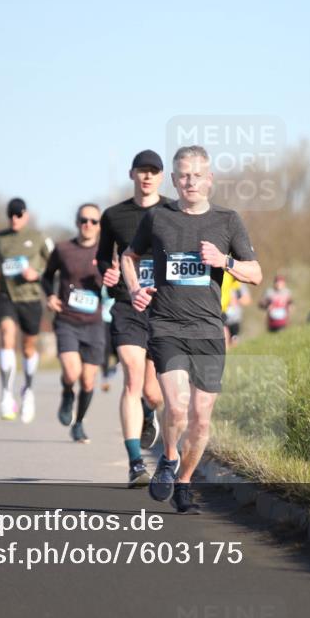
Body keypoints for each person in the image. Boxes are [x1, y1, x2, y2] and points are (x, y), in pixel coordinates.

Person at [123, 145, 262, 513]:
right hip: (166, 325)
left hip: (209, 331)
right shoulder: (158, 218)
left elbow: (256, 274)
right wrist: (135, 288)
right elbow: (128, 257)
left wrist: (225, 261)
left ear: (210, 179)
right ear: (174, 179)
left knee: (201, 419)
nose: (191, 181)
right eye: (184, 175)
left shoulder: (228, 221)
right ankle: (168, 459)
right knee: (179, 406)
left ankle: (184, 479)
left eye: (198, 175)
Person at [97, 150, 172, 487]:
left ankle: (148, 410)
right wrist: (108, 273)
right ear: (132, 175)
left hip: (166, 307)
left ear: (161, 176)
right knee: (131, 375)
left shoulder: (173, 211)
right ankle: (135, 464)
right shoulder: (114, 215)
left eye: (153, 171)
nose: (147, 176)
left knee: (154, 394)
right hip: (128, 305)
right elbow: (102, 259)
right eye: (142, 171)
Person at [0, 198, 53, 422]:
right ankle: (6, 393)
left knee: (28, 346)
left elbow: (54, 264)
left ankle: (28, 390)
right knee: (6, 335)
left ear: (26, 215)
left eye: (19, 214)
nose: (14, 218)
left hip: (31, 298)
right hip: (7, 296)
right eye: (11, 214)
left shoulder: (38, 237)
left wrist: (38, 273)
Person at [41, 203, 105, 443]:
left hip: (94, 323)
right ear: (77, 222)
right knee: (72, 371)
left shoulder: (106, 253)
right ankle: (67, 392)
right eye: (83, 220)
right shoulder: (63, 249)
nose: (88, 225)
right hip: (67, 320)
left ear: (100, 226)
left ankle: (78, 424)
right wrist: (50, 295)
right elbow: (46, 276)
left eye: (93, 221)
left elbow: (118, 283)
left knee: (88, 380)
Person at [220, 272, 251, 348]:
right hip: (222, 315)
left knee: (234, 340)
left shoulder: (239, 284)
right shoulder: (220, 281)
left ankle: (232, 354)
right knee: (223, 337)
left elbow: (247, 300)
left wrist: (236, 300)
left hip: (234, 318)